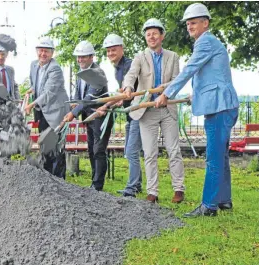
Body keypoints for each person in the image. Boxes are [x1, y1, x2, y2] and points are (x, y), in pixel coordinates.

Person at [155, 3, 239, 217]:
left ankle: (208, 206)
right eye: (188, 24)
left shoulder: (206, 42)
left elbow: (190, 69)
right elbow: (213, 76)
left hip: (220, 107)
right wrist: (196, 95)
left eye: (193, 22)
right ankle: (224, 200)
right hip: (222, 104)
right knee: (221, 155)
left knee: (213, 157)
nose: (189, 27)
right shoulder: (210, 43)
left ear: (205, 23)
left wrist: (167, 94)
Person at [122, 18, 185, 203]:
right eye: (148, 34)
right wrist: (127, 88)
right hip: (146, 110)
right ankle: (152, 192)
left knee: (173, 150)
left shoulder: (172, 56)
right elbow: (131, 75)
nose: (151, 37)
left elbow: (176, 80)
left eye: (155, 33)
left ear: (162, 36)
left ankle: (179, 189)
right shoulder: (140, 57)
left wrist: (164, 92)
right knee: (150, 152)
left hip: (167, 108)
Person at [62, 40, 112, 191]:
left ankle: (98, 185)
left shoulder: (97, 73)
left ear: (91, 57)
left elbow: (89, 99)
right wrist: (71, 105)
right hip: (89, 118)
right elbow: (79, 94)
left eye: (83, 57)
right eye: (78, 57)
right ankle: (94, 182)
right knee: (91, 149)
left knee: (98, 150)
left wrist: (73, 113)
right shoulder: (81, 73)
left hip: (100, 116)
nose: (80, 60)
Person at [100, 34, 142, 197]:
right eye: (108, 51)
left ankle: (132, 188)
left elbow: (129, 90)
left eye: (114, 49)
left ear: (121, 49)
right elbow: (125, 94)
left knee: (131, 151)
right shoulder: (118, 68)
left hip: (138, 113)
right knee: (129, 150)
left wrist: (106, 105)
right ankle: (136, 184)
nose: (111, 53)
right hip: (130, 113)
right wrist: (119, 101)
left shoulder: (129, 65)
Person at [24, 37, 70, 179]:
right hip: (42, 112)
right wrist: (30, 90)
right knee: (44, 145)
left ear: (52, 53)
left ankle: (59, 180)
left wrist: (31, 104)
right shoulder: (34, 65)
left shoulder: (55, 69)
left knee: (56, 147)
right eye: (41, 50)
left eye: (46, 51)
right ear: (37, 51)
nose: (43, 54)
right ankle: (47, 178)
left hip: (56, 112)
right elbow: (37, 84)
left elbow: (48, 93)